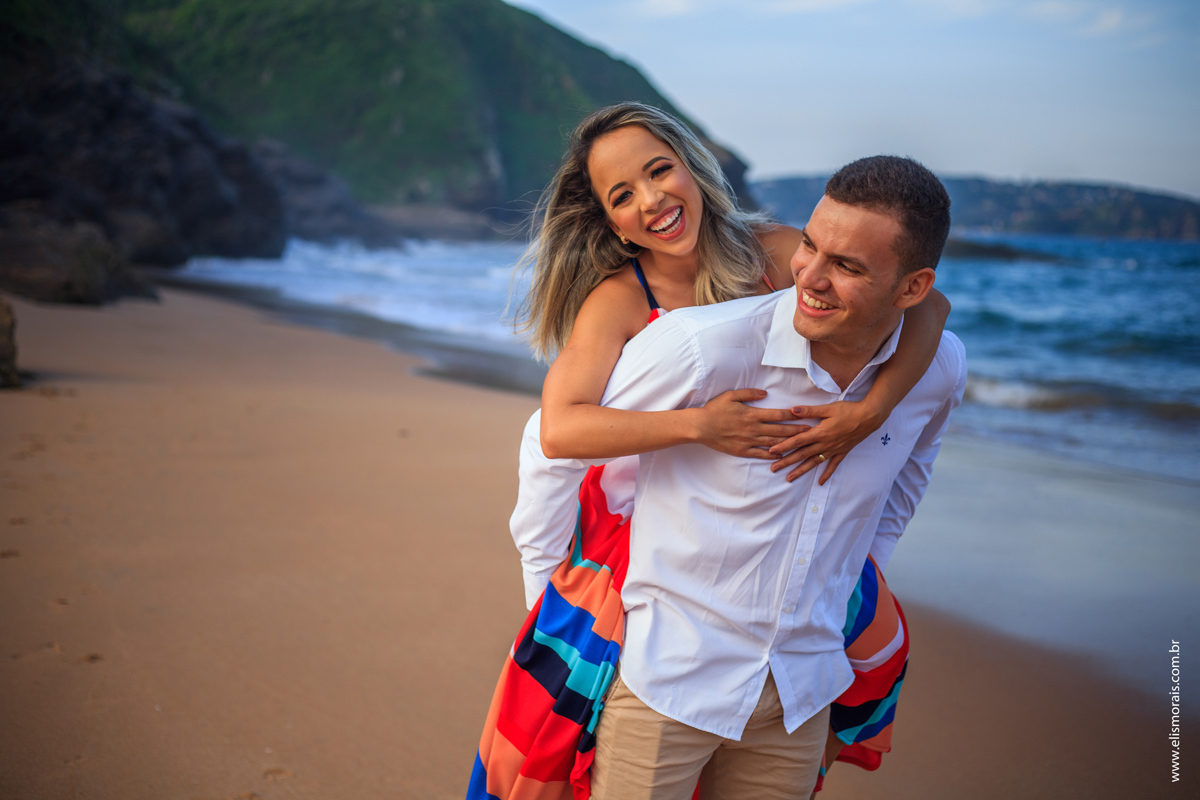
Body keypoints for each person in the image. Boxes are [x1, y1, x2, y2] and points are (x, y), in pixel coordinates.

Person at [467, 105, 951, 800]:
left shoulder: (774, 251)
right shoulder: (622, 299)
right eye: (622, 197)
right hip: (645, 541)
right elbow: (557, 433)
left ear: (693, 165)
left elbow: (927, 310)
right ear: (608, 220)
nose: (652, 201)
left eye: (659, 171)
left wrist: (867, 413)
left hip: (764, 540)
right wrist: (696, 426)